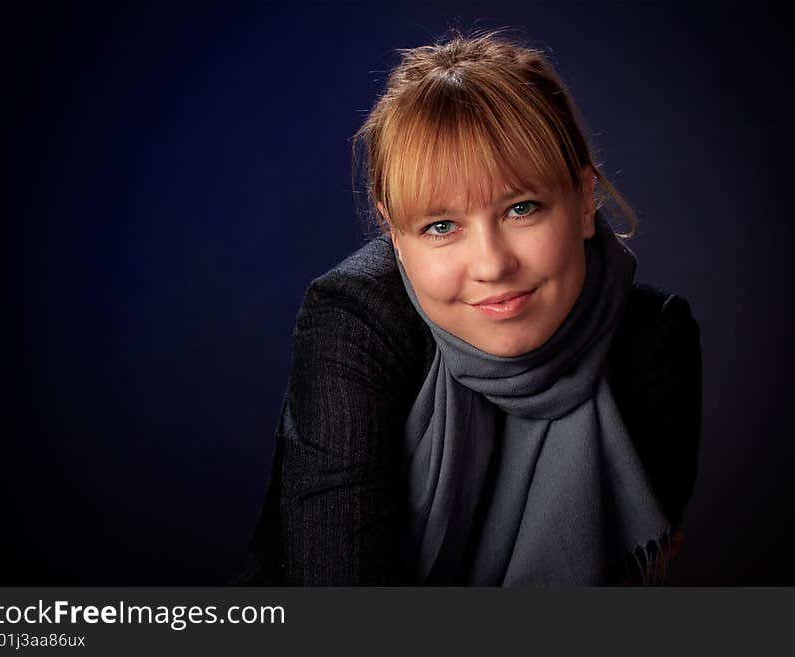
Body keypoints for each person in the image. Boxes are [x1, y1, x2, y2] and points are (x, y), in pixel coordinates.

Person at [238, 31, 701, 586]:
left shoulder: (654, 342)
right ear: (395, 236)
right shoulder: (354, 320)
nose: (491, 265)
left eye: (521, 208)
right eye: (440, 226)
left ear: (582, 202)